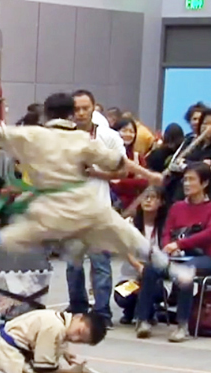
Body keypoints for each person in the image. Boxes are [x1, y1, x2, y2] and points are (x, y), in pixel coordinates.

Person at [0, 92, 195, 289]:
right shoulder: (82, 139)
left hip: (48, 210)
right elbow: (120, 162)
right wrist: (149, 175)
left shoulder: (33, 134)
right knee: (129, 236)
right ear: (71, 115)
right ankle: (171, 268)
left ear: (46, 114)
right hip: (85, 206)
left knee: (9, 238)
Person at [134, 163, 211, 343]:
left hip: (205, 257)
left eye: (191, 179)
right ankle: (142, 320)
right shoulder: (177, 207)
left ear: (204, 183)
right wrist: (169, 246)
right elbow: (167, 232)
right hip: (177, 256)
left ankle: (182, 325)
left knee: (185, 272)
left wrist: (180, 243)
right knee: (150, 268)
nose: (186, 184)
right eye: (185, 179)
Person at [63, 90, 125, 329]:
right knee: (73, 265)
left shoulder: (109, 137)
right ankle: (77, 306)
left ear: (93, 108)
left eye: (85, 108)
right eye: (76, 109)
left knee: (100, 264)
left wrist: (96, 172)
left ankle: (102, 311)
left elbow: (122, 171)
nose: (80, 113)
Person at [114, 187, 167, 325]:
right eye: (145, 197)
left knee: (157, 292)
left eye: (152, 197)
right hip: (130, 278)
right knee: (122, 296)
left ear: (161, 202)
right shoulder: (130, 224)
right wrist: (138, 266)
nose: (148, 200)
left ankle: (148, 312)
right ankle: (131, 311)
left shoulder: (164, 227)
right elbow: (125, 250)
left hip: (153, 278)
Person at [168, 108, 211, 204]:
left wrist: (184, 163)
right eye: (204, 123)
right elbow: (173, 164)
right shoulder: (189, 140)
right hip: (178, 191)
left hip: (202, 195)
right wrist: (199, 164)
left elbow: (208, 172)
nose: (206, 127)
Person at [111, 118, 148, 214]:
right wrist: (135, 182)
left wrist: (121, 182)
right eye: (124, 130)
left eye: (131, 131)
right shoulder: (108, 155)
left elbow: (144, 183)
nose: (128, 134)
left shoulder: (138, 157)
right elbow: (112, 185)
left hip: (133, 208)